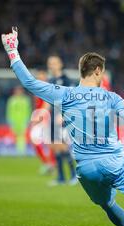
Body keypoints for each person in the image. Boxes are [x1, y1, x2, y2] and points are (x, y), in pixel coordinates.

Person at [1, 27, 124, 226]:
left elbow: (29, 83)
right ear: (97, 71)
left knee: (107, 204)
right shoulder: (111, 97)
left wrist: (13, 52)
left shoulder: (65, 94)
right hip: (116, 161)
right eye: (102, 72)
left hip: (87, 168)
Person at [46, 55, 77, 186]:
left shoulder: (66, 80)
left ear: (60, 64)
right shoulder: (50, 80)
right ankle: (61, 177)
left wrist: (64, 115)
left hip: (62, 117)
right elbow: (49, 100)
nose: (51, 65)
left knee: (62, 146)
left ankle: (74, 175)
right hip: (53, 116)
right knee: (54, 146)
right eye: (50, 63)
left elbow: (72, 99)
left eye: (54, 63)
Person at [30, 70, 56, 174]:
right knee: (43, 141)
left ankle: (51, 164)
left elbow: (46, 103)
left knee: (46, 141)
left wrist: (41, 116)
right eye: (39, 77)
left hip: (45, 115)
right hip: (39, 114)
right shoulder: (36, 89)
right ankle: (49, 163)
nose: (40, 79)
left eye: (42, 77)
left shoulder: (47, 88)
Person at [7, 86, 31, 155]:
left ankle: (21, 151)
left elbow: (28, 110)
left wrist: (27, 119)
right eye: (17, 91)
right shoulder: (11, 100)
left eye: (19, 91)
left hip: (23, 121)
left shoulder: (25, 100)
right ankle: (16, 150)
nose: (18, 92)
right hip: (14, 121)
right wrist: (10, 120)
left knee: (22, 136)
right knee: (15, 135)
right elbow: (9, 110)